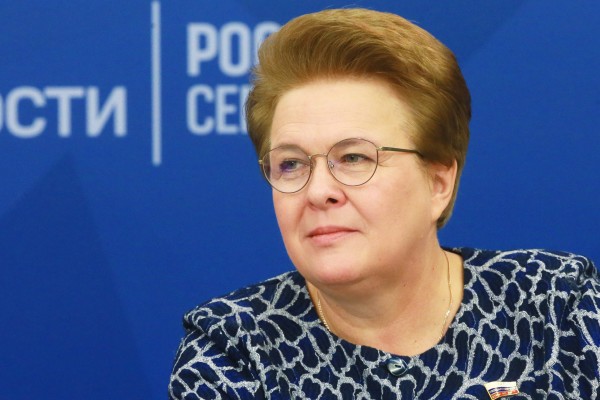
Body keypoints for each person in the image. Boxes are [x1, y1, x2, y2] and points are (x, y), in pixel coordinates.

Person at [169, 8, 600, 399]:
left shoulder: (556, 305)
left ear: (438, 183)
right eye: (292, 164)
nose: (318, 191)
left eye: (354, 158)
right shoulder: (231, 348)